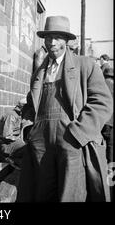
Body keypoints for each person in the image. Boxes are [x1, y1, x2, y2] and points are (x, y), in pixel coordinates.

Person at [17, 15, 112, 202]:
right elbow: (31, 102)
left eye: (58, 37)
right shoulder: (39, 71)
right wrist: (30, 129)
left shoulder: (85, 65)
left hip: (71, 139)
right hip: (40, 143)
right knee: (41, 192)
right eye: (49, 37)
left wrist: (78, 133)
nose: (52, 42)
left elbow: (102, 102)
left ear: (67, 40)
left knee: (70, 192)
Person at [101, 67, 113, 164]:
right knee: (110, 143)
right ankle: (110, 164)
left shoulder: (102, 83)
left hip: (102, 118)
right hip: (111, 119)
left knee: (100, 141)